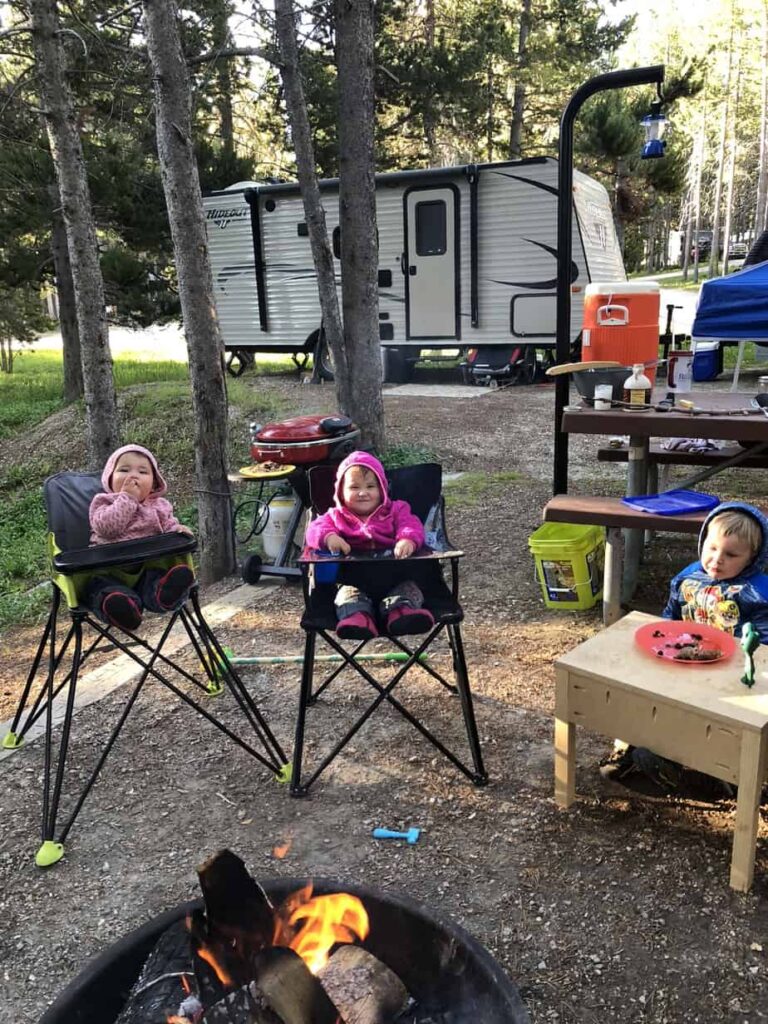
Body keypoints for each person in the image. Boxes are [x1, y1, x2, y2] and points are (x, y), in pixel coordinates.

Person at [601, 501, 768, 796]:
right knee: (645, 693)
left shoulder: (757, 593)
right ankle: (634, 748)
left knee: (715, 719)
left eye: (731, 554)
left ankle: (714, 770)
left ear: (752, 558)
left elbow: (763, 643)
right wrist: (663, 638)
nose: (716, 560)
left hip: (730, 673)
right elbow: (671, 616)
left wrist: (752, 654)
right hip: (683, 657)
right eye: (712, 548)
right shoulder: (688, 577)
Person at [304, 451, 435, 640]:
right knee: (347, 598)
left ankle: (402, 616)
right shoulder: (335, 517)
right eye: (354, 487)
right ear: (340, 491)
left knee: (408, 591)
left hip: (396, 576)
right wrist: (329, 537)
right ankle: (358, 621)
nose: (363, 492)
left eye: (371, 486)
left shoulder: (397, 510)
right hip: (353, 580)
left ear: (382, 488)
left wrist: (407, 539)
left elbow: (411, 525)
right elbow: (314, 530)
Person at [85, 444, 195, 632]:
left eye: (143, 472)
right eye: (124, 470)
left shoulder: (159, 506)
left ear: (154, 483)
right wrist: (127, 498)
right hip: (109, 572)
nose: (133, 476)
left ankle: (164, 594)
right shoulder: (103, 502)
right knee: (101, 590)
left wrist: (177, 530)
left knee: (157, 581)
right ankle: (122, 608)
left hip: (148, 569)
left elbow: (168, 526)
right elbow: (106, 528)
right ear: (109, 478)